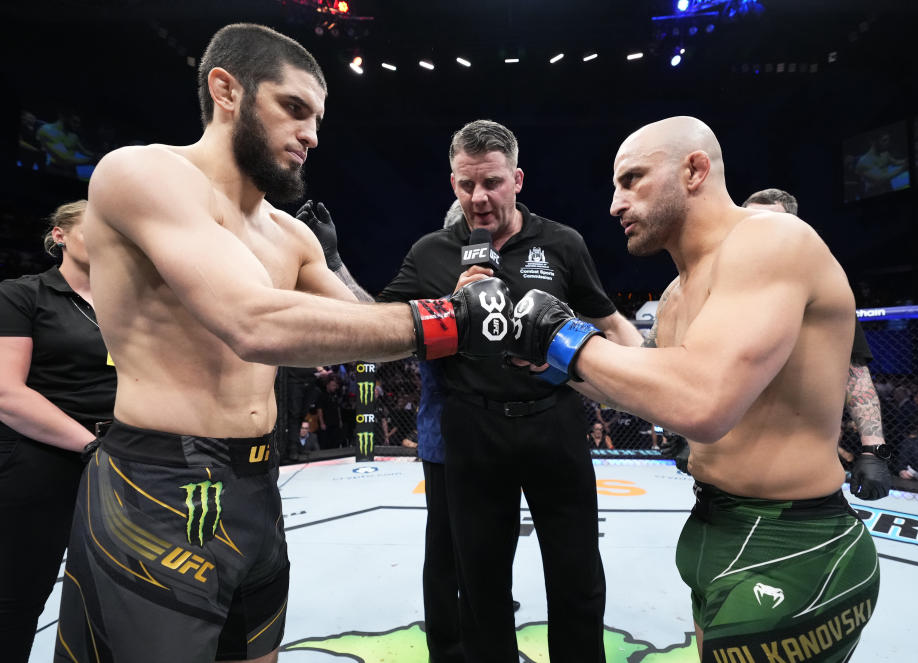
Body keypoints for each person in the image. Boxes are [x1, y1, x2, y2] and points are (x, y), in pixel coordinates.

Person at [55, 24, 512, 663]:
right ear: (227, 90)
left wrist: (486, 312)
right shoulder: (142, 172)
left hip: (259, 487)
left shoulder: (290, 236)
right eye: (294, 108)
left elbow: (366, 329)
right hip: (156, 488)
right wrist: (449, 318)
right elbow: (254, 323)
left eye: (318, 118)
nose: (312, 135)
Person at [508, 116, 889, 662]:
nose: (615, 205)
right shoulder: (673, 296)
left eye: (632, 179)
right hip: (714, 524)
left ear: (694, 170)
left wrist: (562, 337)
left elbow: (702, 404)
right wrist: (548, 362)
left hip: (795, 546)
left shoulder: (770, 238)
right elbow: (647, 388)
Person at [378, 119, 644, 663]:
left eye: (492, 182)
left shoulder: (562, 242)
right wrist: (443, 310)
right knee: (479, 586)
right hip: (472, 430)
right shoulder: (432, 252)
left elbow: (613, 327)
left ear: (517, 179)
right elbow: (375, 330)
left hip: (555, 420)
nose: (479, 198)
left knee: (576, 574)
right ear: (452, 183)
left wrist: (613, 369)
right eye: (466, 185)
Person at [0, 200, 116, 663]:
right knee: (17, 597)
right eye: (97, 226)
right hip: (42, 457)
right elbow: (6, 393)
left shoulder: (130, 302)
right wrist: (92, 445)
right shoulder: (23, 294)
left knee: (121, 599)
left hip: (122, 459)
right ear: (60, 234)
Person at [741, 188, 892, 483]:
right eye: (750, 220)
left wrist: (874, 451)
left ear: (796, 230)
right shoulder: (718, 284)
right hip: (729, 455)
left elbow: (855, 375)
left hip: (804, 456)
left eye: (772, 222)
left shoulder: (825, 288)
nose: (760, 229)